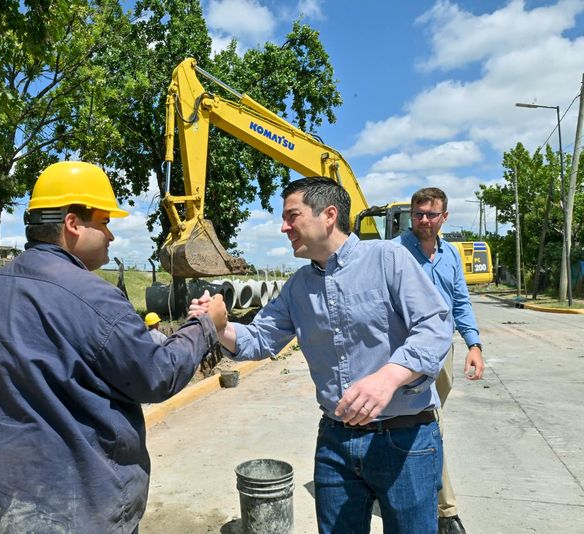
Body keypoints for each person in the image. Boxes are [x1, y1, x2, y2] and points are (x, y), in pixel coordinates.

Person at [0, 161, 228, 533]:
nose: (111, 235)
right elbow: (158, 375)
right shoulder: (93, 296)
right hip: (76, 512)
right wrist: (207, 324)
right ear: (73, 224)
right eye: (105, 222)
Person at [190, 177, 453, 533]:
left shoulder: (388, 259)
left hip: (404, 439)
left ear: (329, 215)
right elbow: (259, 339)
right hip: (336, 441)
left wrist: (389, 376)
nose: (284, 227)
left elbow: (435, 326)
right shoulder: (299, 286)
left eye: (292, 216)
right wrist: (219, 327)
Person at [394, 187, 485, 534]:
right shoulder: (395, 251)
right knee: (431, 420)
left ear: (444, 217)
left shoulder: (450, 256)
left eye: (431, 214)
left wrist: (474, 344)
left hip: (443, 351)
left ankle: (410, 482)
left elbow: (460, 301)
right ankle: (446, 512)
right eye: (418, 213)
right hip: (406, 351)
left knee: (424, 424)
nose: (424, 220)